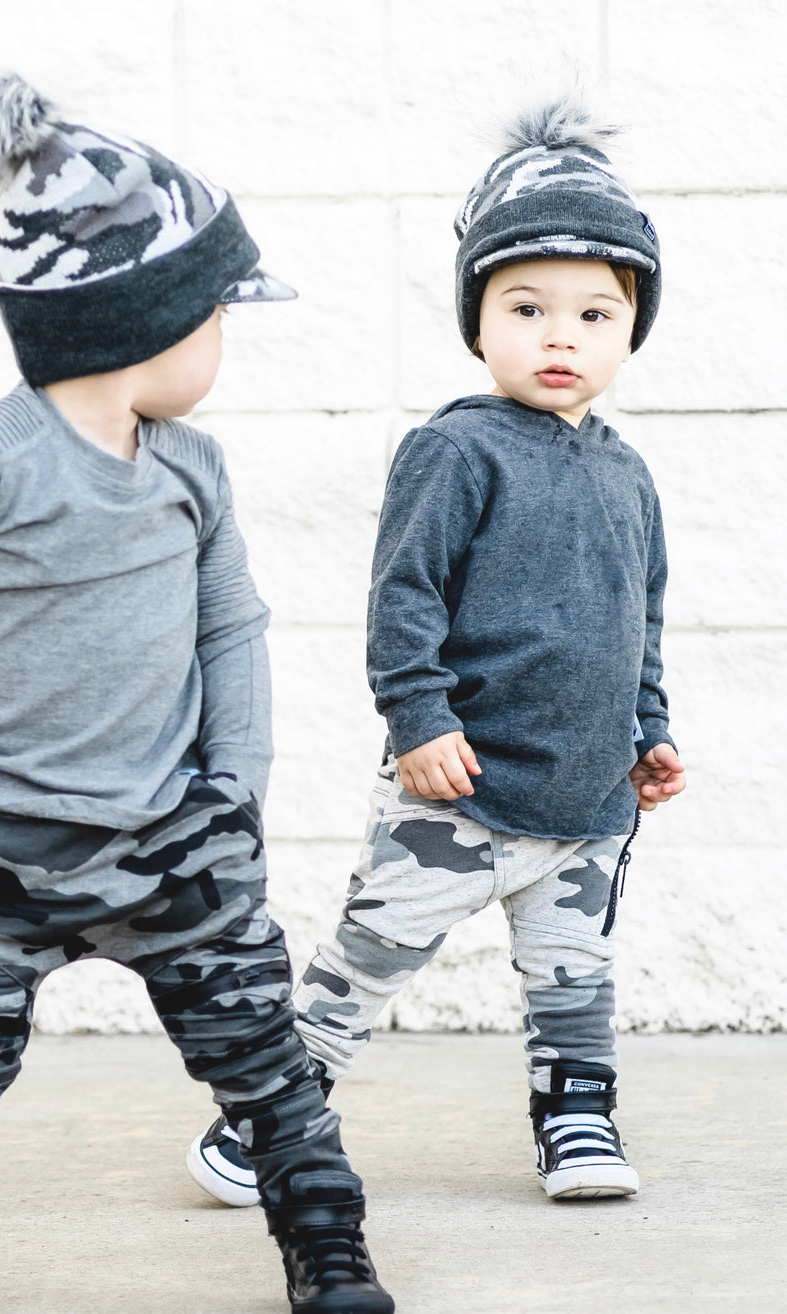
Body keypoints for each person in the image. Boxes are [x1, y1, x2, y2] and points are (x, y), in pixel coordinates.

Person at [0, 74, 393, 1314]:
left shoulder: (193, 469)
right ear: (143, 320)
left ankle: (323, 1234)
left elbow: (231, 626)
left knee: (264, 1061)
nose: (223, 340)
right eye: (216, 314)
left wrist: (233, 786)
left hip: (173, 838)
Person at [187, 96, 685, 1210]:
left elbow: (639, 621)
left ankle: (576, 1120)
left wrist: (648, 732)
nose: (561, 336)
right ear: (476, 322)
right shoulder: (454, 450)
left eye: (595, 313)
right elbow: (402, 597)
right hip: (455, 787)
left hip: (586, 799)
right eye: (526, 307)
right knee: (369, 956)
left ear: (629, 332)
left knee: (573, 979)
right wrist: (418, 719)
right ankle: (268, 1120)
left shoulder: (629, 476)